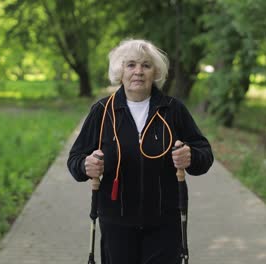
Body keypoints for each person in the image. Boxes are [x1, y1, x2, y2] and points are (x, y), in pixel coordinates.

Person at [67, 39, 213, 264]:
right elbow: (75, 160)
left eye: (146, 65)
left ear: (155, 72)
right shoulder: (103, 111)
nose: (138, 71)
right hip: (116, 222)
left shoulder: (173, 110)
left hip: (164, 223)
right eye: (131, 65)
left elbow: (205, 155)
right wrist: (85, 165)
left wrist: (191, 155)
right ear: (120, 71)